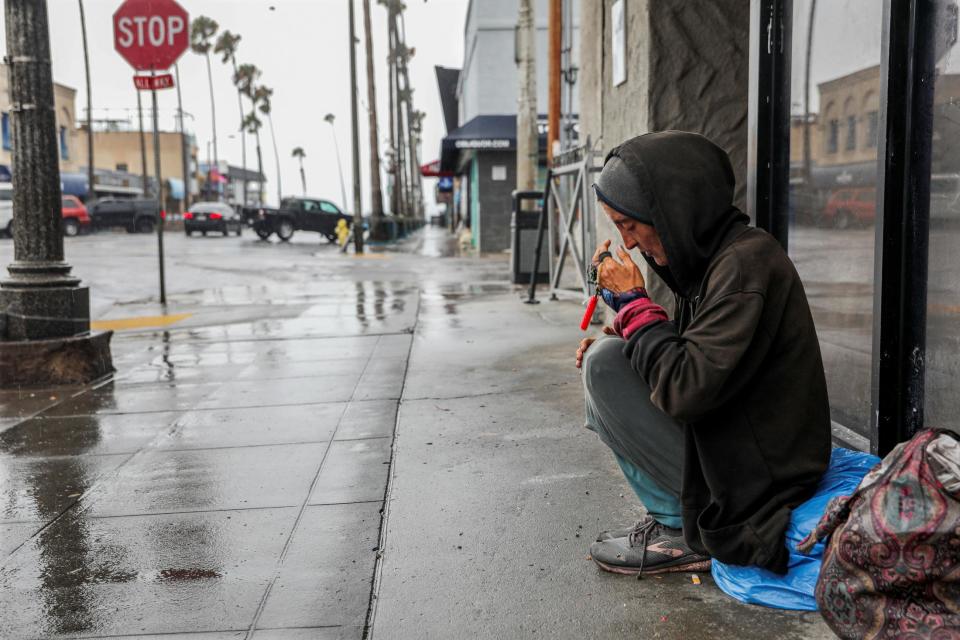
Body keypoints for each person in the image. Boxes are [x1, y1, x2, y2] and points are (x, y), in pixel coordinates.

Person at [576, 131, 831, 576]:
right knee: (610, 356)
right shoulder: (717, 259)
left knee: (605, 366)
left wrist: (637, 307)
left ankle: (684, 529)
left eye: (629, 224)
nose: (629, 243)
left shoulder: (745, 265)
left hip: (766, 474)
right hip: (742, 439)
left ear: (671, 212)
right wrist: (631, 325)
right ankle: (673, 515)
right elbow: (708, 358)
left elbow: (686, 389)